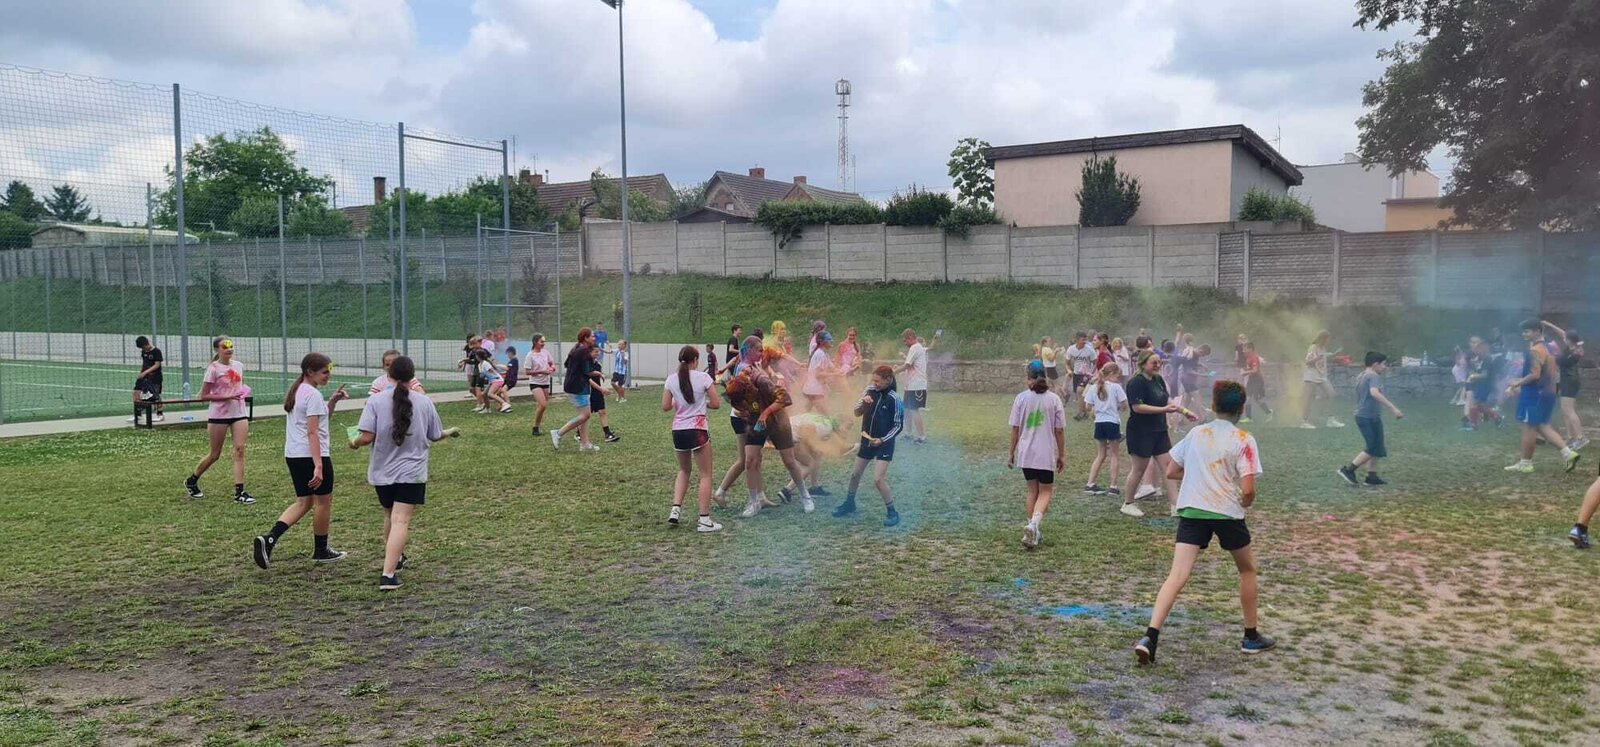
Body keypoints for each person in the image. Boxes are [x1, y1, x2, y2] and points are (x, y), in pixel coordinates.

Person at [1134, 380, 1272, 665]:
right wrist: (1245, 501)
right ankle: (1250, 636)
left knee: (1176, 576)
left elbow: (1171, 471)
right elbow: (1247, 490)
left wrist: (1201, 477)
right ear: (1242, 409)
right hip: (1226, 513)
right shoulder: (1244, 439)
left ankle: (1150, 636)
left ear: (1213, 405)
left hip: (1192, 511)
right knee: (1247, 570)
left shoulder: (1197, 433)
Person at [350, 355, 456, 591]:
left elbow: (366, 437)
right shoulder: (424, 402)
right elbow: (435, 434)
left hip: (382, 472)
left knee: (390, 515)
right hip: (412, 472)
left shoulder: (375, 401)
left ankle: (395, 558)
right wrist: (449, 432)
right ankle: (388, 575)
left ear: (389, 375)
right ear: (412, 376)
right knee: (401, 520)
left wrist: (354, 443)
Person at [253, 353, 350, 569]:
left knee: (304, 502)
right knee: (323, 502)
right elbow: (312, 432)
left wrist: (332, 401)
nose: (328, 375)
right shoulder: (312, 394)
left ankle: (269, 539)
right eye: (324, 372)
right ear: (310, 372)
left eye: (329, 371)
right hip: (311, 455)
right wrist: (318, 465)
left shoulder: (299, 390)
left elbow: (320, 420)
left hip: (294, 455)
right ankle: (321, 550)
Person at [726, 345, 814, 517]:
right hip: (757, 421)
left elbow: (785, 398)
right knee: (750, 461)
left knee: (789, 460)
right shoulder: (739, 385)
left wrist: (765, 413)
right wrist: (744, 412)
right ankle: (754, 503)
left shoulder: (761, 381)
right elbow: (740, 407)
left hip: (778, 421)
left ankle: (805, 496)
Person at [1119, 350, 1192, 518]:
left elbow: (1166, 399)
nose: (1158, 365)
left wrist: (1183, 411)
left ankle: (1175, 506)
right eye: (1154, 362)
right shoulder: (1135, 383)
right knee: (1139, 469)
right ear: (1143, 364)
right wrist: (1164, 410)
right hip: (1140, 431)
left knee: (1168, 467)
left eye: (1159, 362)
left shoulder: (1158, 379)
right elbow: (1137, 407)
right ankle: (1128, 503)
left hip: (1159, 430)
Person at [1505, 319, 1582, 474]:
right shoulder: (1550, 347)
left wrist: (1517, 383)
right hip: (1548, 393)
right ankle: (1568, 454)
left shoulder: (1536, 350)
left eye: (1527, 331)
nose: (1524, 334)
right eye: (1523, 331)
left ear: (1537, 331)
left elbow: (1535, 374)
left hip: (1535, 394)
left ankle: (1525, 463)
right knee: (1542, 425)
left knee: (1529, 427)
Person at [186, 336, 255, 504]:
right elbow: (203, 396)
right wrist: (227, 396)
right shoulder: (213, 369)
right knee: (215, 454)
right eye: (225, 346)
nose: (229, 349)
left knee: (239, 450)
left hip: (239, 413)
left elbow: (237, 387)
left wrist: (242, 392)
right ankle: (192, 480)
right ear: (217, 350)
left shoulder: (238, 366)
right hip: (219, 415)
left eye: (231, 345)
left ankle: (239, 492)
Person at [663, 345, 723, 533]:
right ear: (695, 360)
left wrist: (679, 401)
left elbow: (665, 406)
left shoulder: (671, 379)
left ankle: (675, 510)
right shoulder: (704, 378)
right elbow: (716, 403)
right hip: (697, 429)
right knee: (705, 474)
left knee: (683, 470)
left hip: (678, 430)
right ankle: (704, 520)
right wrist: (702, 403)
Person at [835, 365, 904, 527]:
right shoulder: (869, 390)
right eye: (873, 380)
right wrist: (864, 404)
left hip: (884, 444)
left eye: (877, 381)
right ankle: (849, 503)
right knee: (855, 475)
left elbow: (898, 425)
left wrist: (882, 439)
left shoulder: (894, 399)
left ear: (888, 380)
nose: (874, 384)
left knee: (878, 480)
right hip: (867, 441)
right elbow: (856, 412)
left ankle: (892, 512)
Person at [1007, 365, 1066, 549]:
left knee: (1032, 491)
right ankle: (1033, 525)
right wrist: (1062, 455)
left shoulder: (1021, 398)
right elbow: (1059, 431)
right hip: (1044, 453)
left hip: (1026, 454)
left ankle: (1033, 532)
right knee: (1046, 491)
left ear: (1029, 379)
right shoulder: (1054, 399)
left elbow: (1015, 428)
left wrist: (1011, 453)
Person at [1337, 352, 1405, 487]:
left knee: (1377, 446)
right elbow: (1374, 393)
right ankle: (1348, 470)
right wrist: (1393, 409)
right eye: (1383, 364)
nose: (1385, 367)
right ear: (1375, 364)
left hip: (1371, 416)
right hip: (1366, 417)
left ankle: (1371, 477)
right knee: (1373, 446)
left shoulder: (1362, 375)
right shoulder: (1373, 376)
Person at [1083, 362, 1128, 497]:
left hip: (1099, 423)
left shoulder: (1093, 387)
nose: (1118, 379)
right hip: (1112, 423)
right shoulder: (1116, 387)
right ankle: (1113, 486)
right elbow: (1124, 405)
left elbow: (1087, 407)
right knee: (1114, 455)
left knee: (1100, 455)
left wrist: (1098, 408)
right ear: (1112, 374)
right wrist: (1116, 406)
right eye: (1117, 376)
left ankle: (1090, 483)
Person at [553, 328, 600, 452]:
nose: (594, 338)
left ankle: (585, 444)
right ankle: (558, 433)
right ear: (585, 338)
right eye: (592, 336)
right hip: (578, 387)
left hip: (575, 385)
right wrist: (598, 373)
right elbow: (587, 371)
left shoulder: (576, 348)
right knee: (585, 415)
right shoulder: (584, 351)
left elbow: (566, 364)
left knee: (584, 416)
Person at [1545, 322, 1587, 450]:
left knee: (1569, 410)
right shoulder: (1572, 346)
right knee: (1565, 410)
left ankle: (1580, 438)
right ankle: (1571, 437)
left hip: (1570, 381)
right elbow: (1562, 333)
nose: (1564, 339)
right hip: (1567, 381)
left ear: (1570, 340)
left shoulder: (1574, 352)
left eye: (1566, 338)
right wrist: (1548, 324)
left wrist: (1553, 355)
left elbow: (1560, 360)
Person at [1300, 330, 1344, 430]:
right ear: (1323, 338)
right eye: (1327, 339)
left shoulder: (1323, 348)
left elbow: (1323, 359)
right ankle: (1304, 422)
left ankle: (1330, 420)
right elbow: (1307, 362)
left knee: (1331, 394)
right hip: (1312, 375)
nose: (1328, 341)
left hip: (1321, 375)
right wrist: (1318, 358)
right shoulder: (1313, 347)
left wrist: (1333, 356)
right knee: (1309, 399)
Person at [896, 329, 930, 444]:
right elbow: (909, 366)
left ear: (910, 337)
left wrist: (892, 372)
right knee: (906, 409)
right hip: (910, 385)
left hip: (917, 385)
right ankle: (908, 433)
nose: (904, 343)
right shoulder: (915, 348)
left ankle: (921, 436)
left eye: (905, 340)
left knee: (914, 410)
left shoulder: (915, 347)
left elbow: (907, 365)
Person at [1462, 336, 1503, 430]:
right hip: (1480, 384)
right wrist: (1474, 365)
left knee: (1474, 404)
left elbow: (1484, 375)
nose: (1475, 350)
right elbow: (1476, 370)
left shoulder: (1487, 359)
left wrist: (1472, 376)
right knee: (1479, 406)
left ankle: (1474, 425)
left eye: (1477, 348)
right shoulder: (1478, 358)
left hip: (1486, 385)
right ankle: (1497, 417)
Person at [587, 344, 621, 443]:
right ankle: (578, 433)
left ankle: (607, 434)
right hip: (588, 392)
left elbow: (598, 376)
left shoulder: (598, 364)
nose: (598, 353)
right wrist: (601, 388)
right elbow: (588, 378)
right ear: (589, 353)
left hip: (597, 391)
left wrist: (601, 376)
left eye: (598, 351)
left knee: (602, 412)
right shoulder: (586, 364)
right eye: (595, 352)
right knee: (585, 415)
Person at [524, 335, 556, 436]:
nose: (543, 344)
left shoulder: (545, 352)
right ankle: (535, 427)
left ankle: (536, 427)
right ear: (535, 342)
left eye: (544, 342)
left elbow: (552, 363)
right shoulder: (530, 355)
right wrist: (541, 371)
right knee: (543, 404)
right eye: (541, 342)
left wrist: (552, 368)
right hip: (535, 383)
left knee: (542, 407)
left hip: (545, 382)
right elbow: (527, 372)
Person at [802, 331, 841, 411]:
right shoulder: (820, 354)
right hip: (814, 390)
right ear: (822, 342)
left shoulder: (824, 354)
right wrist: (834, 374)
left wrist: (840, 371)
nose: (832, 341)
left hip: (814, 389)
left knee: (807, 410)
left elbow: (832, 367)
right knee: (824, 413)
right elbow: (818, 374)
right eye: (829, 339)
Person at [129, 335, 165, 422]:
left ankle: (160, 414)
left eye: (143, 347)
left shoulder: (156, 351)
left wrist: (145, 372)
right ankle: (138, 415)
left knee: (155, 395)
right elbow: (144, 364)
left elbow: (157, 365)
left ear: (147, 343)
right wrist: (141, 373)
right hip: (144, 377)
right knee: (136, 392)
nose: (143, 349)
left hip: (155, 377)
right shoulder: (143, 352)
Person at [1239, 342, 1272, 423]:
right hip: (1251, 380)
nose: (1243, 351)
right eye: (1243, 349)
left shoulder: (1254, 358)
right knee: (1248, 398)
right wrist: (1244, 371)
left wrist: (1245, 373)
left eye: (1245, 349)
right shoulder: (1248, 358)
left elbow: (1255, 370)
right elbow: (1250, 370)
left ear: (1250, 349)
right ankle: (1249, 418)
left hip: (1257, 380)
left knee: (1257, 399)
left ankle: (1269, 412)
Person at [476, 348, 512, 414]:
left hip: (497, 380)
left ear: (478, 356)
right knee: (484, 394)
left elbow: (492, 371)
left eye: (476, 355)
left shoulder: (485, 363)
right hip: (492, 381)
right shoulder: (479, 365)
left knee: (490, 394)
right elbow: (483, 375)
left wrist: (495, 375)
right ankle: (487, 409)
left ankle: (504, 404)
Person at [1066, 332, 1096, 406]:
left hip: (1086, 374)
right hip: (1076, 373)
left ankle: (1082, 411)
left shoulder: (1089, 350)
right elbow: (1067, 363)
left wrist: (1090, 373)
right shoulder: (1071, 349)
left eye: (1085, 340)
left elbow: (1095, 363)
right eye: (1083, 340)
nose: (1084, 342)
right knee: (1077, 394)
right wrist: (1069, 370)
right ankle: (1084, 410)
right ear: (1077, 340)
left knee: (1080, 390)